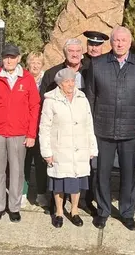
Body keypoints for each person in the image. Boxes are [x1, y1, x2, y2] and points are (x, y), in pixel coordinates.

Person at [84, 26, 135, 231]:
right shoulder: (97, 64)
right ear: (111, 42)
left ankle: (127, 212)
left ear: (130, 42)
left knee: (128, 174)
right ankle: (103, 211)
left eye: (123, 40)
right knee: (102, 173)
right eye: (116, 40)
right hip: (103, 129)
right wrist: (90, 128)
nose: (120, 43)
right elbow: (90, 97)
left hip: (130, 131)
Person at [0, 44, 40, 222]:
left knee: (16, 171)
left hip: (19, 133)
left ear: (19, 58)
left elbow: (34, 107)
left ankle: (14, 207)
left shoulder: (27, 79)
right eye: (6, 57)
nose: (9, 60)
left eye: (12, 57)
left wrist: (31, 134)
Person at [39, 68, 97, 228]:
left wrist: (92, 147)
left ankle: (74, 210)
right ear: (59, 84)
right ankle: (58, 211)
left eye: (72, 81)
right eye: (66, 81)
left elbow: (88, 124)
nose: (70, 84)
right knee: (60, 182)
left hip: (80, 147)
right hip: (59, 148)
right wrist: (46, 152)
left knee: (76, 182)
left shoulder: (82, 98)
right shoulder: (51, 100)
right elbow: (44, 127)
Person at [23, 50, 47, 207]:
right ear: (28, 64)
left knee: (41, 162)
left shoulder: (47, 80)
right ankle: (22, 193)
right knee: (23, 162)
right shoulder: (22, 79)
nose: (35, 65)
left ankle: (41, 193)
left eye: (38, 62)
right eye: (33, 62)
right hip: (24, 127)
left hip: (42, 127)